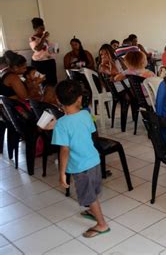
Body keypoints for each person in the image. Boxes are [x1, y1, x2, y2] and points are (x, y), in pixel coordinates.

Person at [51, 80, 110, 238]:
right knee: (94, 189)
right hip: (94, 160)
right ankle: (92, 210)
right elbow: (89, 131)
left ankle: (102, 224)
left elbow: (64, 150)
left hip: (80, 167)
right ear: (79, 99)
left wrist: (62, 173)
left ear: (58, 100)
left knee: (88, 195)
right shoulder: (86, 114)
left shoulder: (61, 124)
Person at [29, 17, 57, 85]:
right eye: (40, 28)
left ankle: (51, 94)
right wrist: (43, 37)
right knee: (41, 81)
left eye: (43, 27)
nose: (43, 30)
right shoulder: (32, 38)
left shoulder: (46, 39)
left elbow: (47, 50)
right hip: (39, 63)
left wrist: (55, 49)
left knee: (52, 81)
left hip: (49, 61)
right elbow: (37, 49)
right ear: (35, 29)